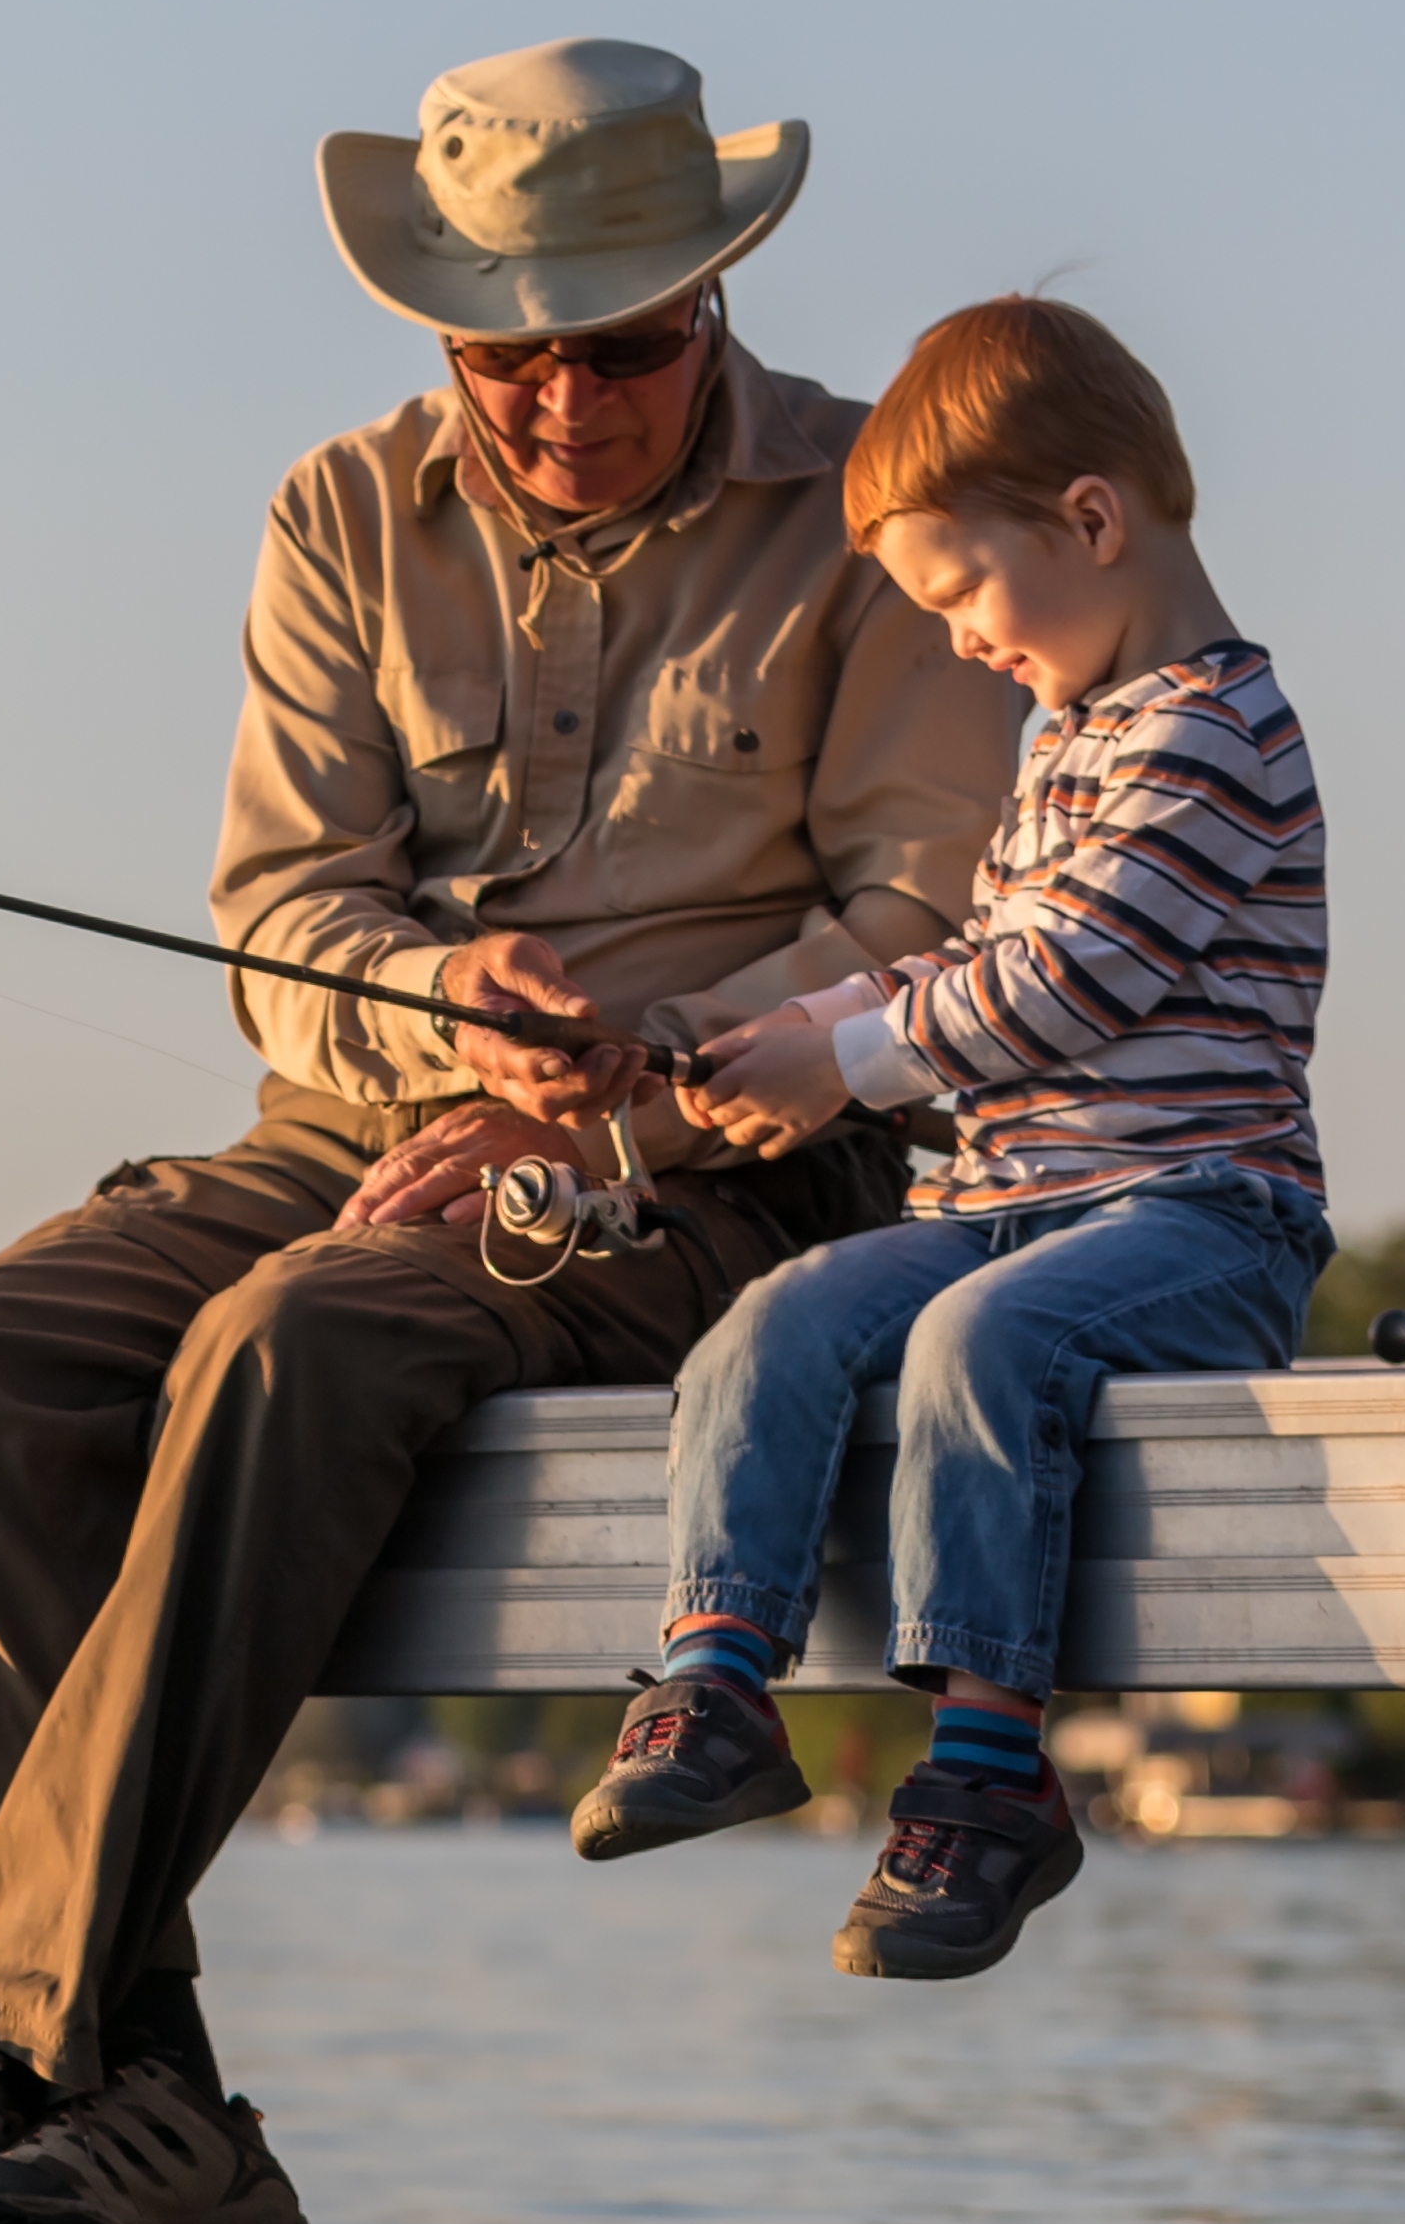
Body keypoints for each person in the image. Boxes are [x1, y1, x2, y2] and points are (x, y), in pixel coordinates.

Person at [0, 38, 1015, 2224]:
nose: (564, 401)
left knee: (295, 1328)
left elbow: (922, 937)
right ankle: (147, 2111)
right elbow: (279, 923)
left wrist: (611, 1093)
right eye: (510, 356)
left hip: (728, 1163)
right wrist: (440, 1012)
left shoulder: (865, 514)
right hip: (363, 1123)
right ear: (439, 330)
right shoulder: (339, 509)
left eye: (619, 347)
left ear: (712, 299)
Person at [564, 295, 1331, 1976]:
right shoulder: (1066, 743)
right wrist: (780, 1030)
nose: (962, 641)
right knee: (774, 1320)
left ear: (1090, 518)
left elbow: (1068, 981)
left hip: (1199, 1219)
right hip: (1009, 1205)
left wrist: (847, 1058)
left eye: (964, 592)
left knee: (978, 1349)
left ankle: (989, 1781)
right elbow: (978, 962)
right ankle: (714, 1679)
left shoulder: (1216, 735)